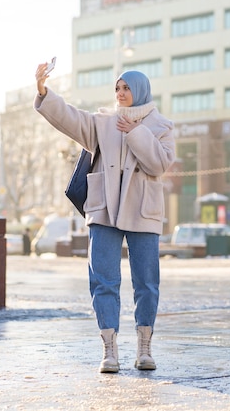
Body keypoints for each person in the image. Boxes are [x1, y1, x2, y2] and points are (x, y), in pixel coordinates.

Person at [34, 66, 175, 374]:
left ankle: (144, 348)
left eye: (126, 88)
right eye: (117, 88)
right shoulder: (102, 122)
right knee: (103, 282)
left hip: (143, 211)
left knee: (147, 283)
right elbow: (70, 118)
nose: (120, 93)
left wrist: (135, 131)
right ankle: (109, 350)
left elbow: (159, 164)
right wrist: (44, 92)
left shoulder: (161, 126)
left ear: (140, 90)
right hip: (104, 210)